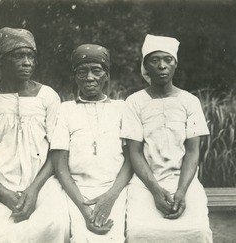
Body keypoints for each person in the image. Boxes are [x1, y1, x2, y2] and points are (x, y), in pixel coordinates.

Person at [0, 27, 69, 243]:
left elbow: (56, 150)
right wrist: (0, 191)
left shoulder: (48, 96)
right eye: (19, 56)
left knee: (55, 225)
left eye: (31, 56)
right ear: (1, 61)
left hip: (42, 183)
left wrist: (34, 190)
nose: (27, 62)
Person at [121, 34, 213, 242]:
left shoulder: (190, 102)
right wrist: (155, 190)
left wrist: (181, 191)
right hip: (146, 182)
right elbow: (134, 152)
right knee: (138, 232)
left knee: (198, 231)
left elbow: (192, 151)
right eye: (155, 60)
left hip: (184, 181)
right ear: (145, 66)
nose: (162, 66)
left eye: (168, 59)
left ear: (175, 64)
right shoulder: (134, 102)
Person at [51, 44, 133, 243]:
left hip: (116, 188)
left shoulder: (121, 108)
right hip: (76, 191)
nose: (89, 78)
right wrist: (85, 208)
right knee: (81, 237)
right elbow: (59, 164)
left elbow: (132, 159)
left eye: (96, 71)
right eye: (82, 71)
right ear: (75, 76)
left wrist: (110, 196)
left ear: (106, 74)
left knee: (114, 237)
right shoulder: (65, 110)